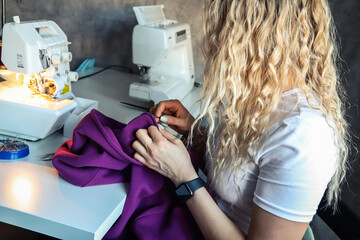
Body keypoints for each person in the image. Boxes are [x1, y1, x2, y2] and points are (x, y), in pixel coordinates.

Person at [132, 0, 350, 239]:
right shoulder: (261, 97)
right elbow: (241, 176)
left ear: (255, 35)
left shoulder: (304, 135)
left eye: (225, 28)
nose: (215, 40)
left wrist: (184, 178)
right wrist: (196, 133)